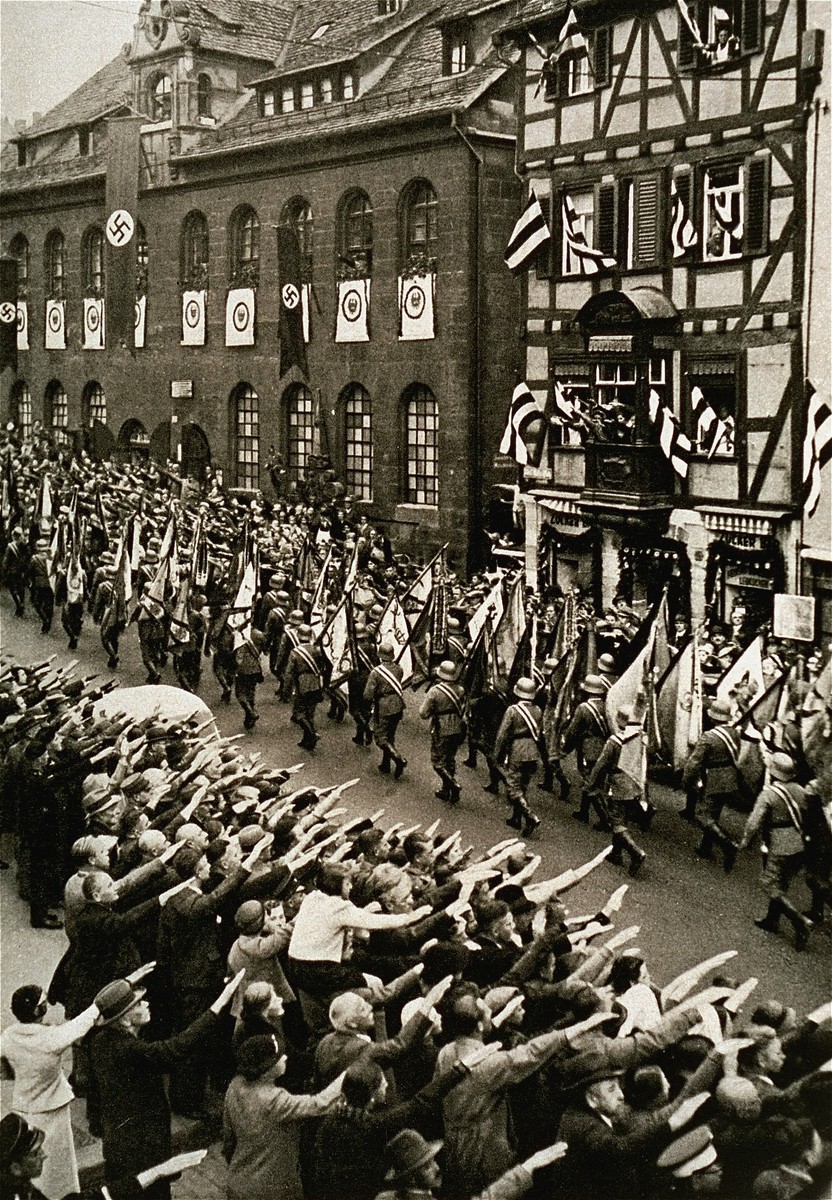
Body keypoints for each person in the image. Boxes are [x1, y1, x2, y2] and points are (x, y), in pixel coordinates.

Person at [88, 973, 242, 1200]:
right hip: (143, 1149)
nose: (147, 1003)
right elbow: (178, 1048)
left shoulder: (100, 1042)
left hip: (117, 1144)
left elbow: (95, 1091)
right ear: (125, 1020)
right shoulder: (131, 1051)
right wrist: (219, 1003)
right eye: (139, 1003)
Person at [0, 987, 100, 1200]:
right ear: (39, 1010)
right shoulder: (51, 1038)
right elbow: (81, 1023)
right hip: (53, 1109)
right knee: (56, 1165)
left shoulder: (8, 1036)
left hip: (25, 1109)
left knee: (28, 1160)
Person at [222, 1034, 344, 1200]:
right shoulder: (274, 1099)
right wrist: (348, 1073)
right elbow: (319, 1104)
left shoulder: (235, 1085)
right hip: (273, 1188)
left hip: (238, 1180)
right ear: (266, 1068)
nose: (285, 1058)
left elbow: (229, 1140)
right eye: (279, 1057)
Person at [0, 1112, 207, 1200]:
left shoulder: (21, 1186)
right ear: (15, 1167)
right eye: (35, 1154)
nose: (44, 1156)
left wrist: (157, 1171)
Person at [737, 752, 812, 950]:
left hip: (780, 844)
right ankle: (772, 919)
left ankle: (800, 921)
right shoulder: (801, 790)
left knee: (769, 882)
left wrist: (745, 841)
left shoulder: (769, 794)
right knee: (782, 882)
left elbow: (753, 823)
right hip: (801, 844)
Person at [585, 706, 647, 878]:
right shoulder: (641, 739)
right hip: (635, 784)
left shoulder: (614, 741)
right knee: (623, 817)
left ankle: (635, 852)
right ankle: (616, 852)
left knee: (616, 820)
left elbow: (601, 764)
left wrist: (591, 783)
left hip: (618, 784)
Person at [681, 700, 741, 873]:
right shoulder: (734, 733)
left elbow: (694, 763)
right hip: (730, 778)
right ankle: (705, 846)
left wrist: (686, 781)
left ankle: (727, 845)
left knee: (702, 815)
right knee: (714, 812)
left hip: (715, 778)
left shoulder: (709, 737)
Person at [493, 677, 544, 836]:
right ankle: (516, 818)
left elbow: (502, 734)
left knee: (513, 787)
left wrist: (496, 754)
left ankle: (530, 816)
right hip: (532, 751)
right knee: (523, 786)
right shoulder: (538, 710)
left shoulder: (512, 710)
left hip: (518, 750)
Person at [562, 675, 611, 826]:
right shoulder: (607, 705)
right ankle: (583, 812)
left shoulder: (584, 708)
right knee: (594, 780)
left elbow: (573, 731)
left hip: (588, 748)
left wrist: (565, 749)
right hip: (604, 746)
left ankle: (605, 819)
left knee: (590, 782)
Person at [419, 661, 467, 804]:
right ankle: (447, 791)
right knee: (450, 759)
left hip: (441, 727)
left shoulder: (435, 691)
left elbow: (423, 713)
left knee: (437, 762)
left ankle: (453, 785)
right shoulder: (460, 690)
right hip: (457, 726)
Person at [364, 639, 407, 778]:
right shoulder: (399, 669)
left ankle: (398, 759)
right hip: (397, 704)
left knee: (381, 738)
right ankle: (385, 764)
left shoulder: (376, 672)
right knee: (390, 735)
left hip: (384, 706)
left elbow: (368, 694)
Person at [284, 624, 326, 750]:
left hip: (302, 685)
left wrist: (286, 691)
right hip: (315, 683)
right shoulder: (316, 650)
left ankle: (312, 735)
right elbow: (322, 667)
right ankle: (307, 740)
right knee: (310, 714)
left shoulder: (295, 653)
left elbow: (289, 673)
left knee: (298, 714)